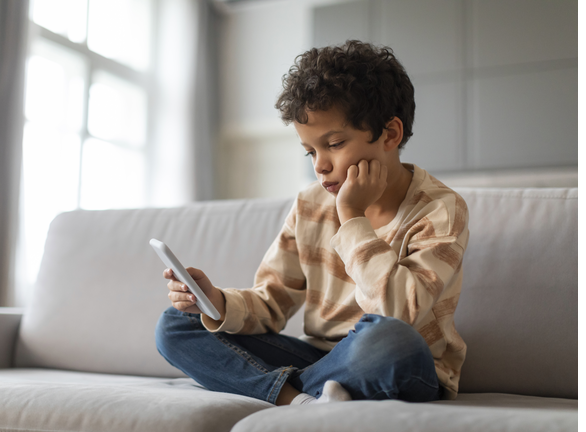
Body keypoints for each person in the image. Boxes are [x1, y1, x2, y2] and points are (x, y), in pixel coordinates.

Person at [155, 40, 469, 406]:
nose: (319, 165)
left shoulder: (440, 209)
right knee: (176, 325)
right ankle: (299, 400)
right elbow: (271, 303)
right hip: (319, 357)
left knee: (389, 340)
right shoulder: (310, 203)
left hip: (396, 360)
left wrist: (351, 216)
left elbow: (398, 314)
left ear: (390, 134)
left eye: (333, 143)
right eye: (310, 151)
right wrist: (217, 302)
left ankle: (288, 391)